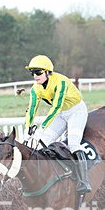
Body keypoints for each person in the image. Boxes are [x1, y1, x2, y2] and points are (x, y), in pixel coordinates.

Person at [24, 55, 91, 194]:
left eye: (38, 72)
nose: (35, 76)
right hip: (60, 114)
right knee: (42, 143)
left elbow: (56, 107)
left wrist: (42, 127)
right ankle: (44, 179)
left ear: (48, 72)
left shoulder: (61, 82)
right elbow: (32, 109)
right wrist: (27, 127)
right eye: (32, 73)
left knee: (73, 144)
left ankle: (84, 182)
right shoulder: (35, 89)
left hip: (76, 111)